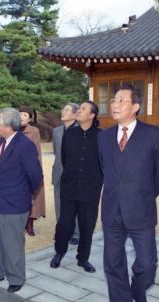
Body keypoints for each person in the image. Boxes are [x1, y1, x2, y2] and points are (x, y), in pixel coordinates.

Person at [98, 84, 159, 302]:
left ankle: (138, 293)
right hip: (111, 211)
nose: (115, 104)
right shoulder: (104, 137)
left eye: (121, 100)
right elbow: (105, 171)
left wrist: (143, 194)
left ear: (136, 106)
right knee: (112, 264)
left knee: (147, 264)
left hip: (141, 210)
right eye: (114, 100)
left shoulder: (154, 134)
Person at [0, 108, 43, 293]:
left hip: (14, 203)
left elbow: (36, 176)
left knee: (12, 242)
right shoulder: (3, 141)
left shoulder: (24, 145)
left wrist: (23, 194)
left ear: (8, 126)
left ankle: (16, 277)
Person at [50, 101, 103, 273]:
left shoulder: (102, 136)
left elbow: (104, 163)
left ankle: (83, 258)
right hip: (69, 187)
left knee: (87, 226)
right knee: (64, 223)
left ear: (92, 115)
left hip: (90, 189)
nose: (78, 111)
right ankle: (59, 252)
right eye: (78, 108)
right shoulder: (69, 134)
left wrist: (96, 182)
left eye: (82, 109)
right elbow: (64, 159)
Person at [52, 103, 80, 245]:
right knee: (59, 204)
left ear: (75, 115)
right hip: (58, 174)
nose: (62, 111)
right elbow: (56, 153)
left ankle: (75, 233)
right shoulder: (56, 131)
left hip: (75, 176)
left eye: (67, 110)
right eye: (63, 109)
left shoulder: (81, 130)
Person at [18, 105, 45, 236]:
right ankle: (19, 222)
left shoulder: (34, 131)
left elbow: (37, 151)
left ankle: (30, 224)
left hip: (29, 167)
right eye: (20, 114)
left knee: (31, 196)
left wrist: (36, 169)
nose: (22, 117)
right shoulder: (12, 128)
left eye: (25, 115)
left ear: (29, 118)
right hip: (15, 170)